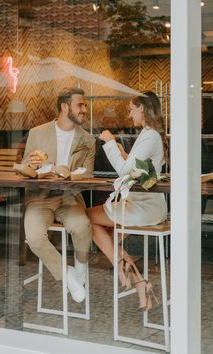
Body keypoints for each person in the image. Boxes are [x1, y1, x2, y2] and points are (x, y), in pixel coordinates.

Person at [87, 91, 168, 310]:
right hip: (146, 204)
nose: (130, 115)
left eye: (132, 110)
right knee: (108, 234)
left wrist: (111, 142)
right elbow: (137, 170)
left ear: (142, 108)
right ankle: (141, 284)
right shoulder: (149, 134)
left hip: (144, 206)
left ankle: (128, 274)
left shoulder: (150, 136)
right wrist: (123, 153)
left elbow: (124, 172)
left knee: (86, 219)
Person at [22, 87, 96, 303]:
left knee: (82, 227)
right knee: (34, 238)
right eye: (80, 105)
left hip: (69, 197)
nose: (84, 109)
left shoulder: (88, 140)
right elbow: (27, 168)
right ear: (65, 107)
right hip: (40, 198)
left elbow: (88, 176)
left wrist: (70, 175)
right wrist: (30, 165)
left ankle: (80, 268)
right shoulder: (37, 133)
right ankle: (69, 277)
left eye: (84, 105)